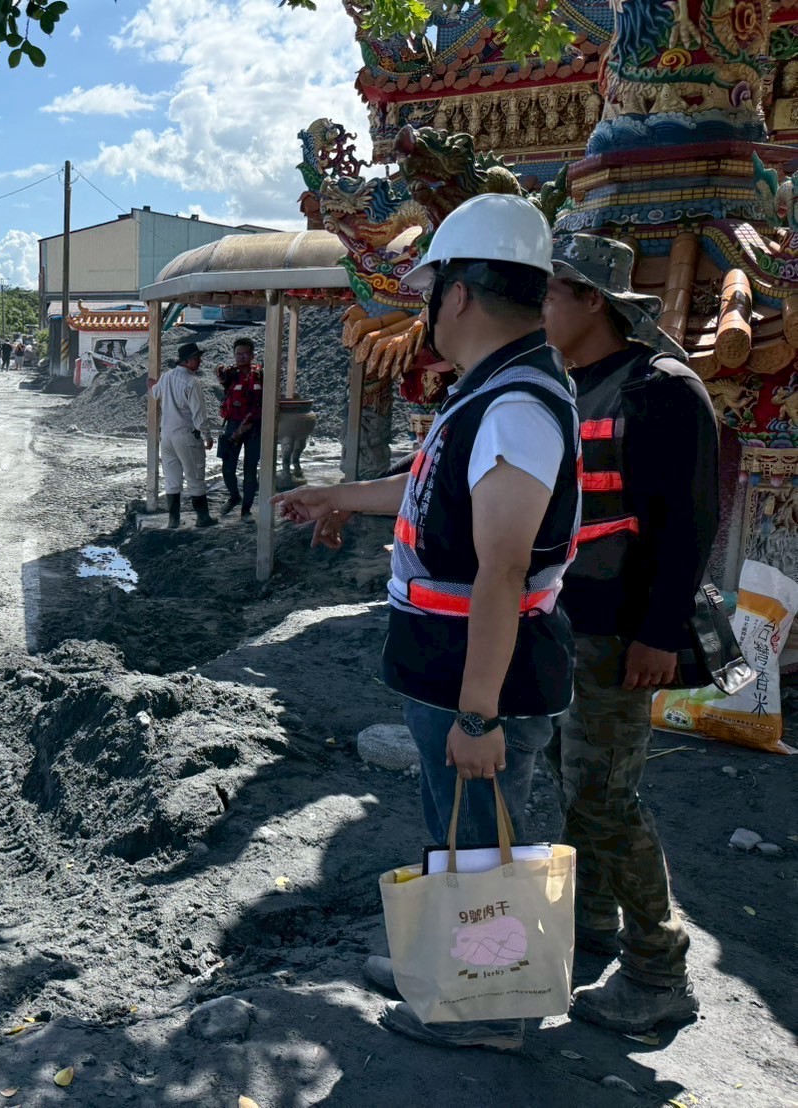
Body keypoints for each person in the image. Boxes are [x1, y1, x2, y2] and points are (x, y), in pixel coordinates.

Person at [273, 193, 582, 1052]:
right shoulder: (489, 395)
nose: (423, 311)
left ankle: (486, 1012)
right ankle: (451, 967)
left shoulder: (514, 407)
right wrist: (338, 494)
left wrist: (479, 714)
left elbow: (504, 567)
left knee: (480, 840)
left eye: (427, 292)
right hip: (450, 668)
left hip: (477, 678)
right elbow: (425, 485)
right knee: (458, 828)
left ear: (456, 295)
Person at [539, 233, 716, 1034]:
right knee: (573, 785)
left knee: (603, 797)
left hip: (620, 636)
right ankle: (589, 928)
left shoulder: (660, 390)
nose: (536, 308)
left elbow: (686, 526)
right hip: (564, 628)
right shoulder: (560, 387)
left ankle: (657, 974)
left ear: (592, 302)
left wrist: (658, 633)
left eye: (550, 292)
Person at [152, 341, 216, 529]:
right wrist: (207, 435)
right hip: (187, 436)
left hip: (167, 437)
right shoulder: (192, 382)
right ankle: (203, 518)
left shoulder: (166, 377)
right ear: (187, 361)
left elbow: (155, 393)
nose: (200, 362)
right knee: (195, 477)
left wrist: (151, 385)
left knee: (172, 480)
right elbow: (199, 414)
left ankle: (174, 520)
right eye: (197, 358)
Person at [216, 336, 264, 519]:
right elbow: (219, 373)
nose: (241, 357)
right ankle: (234, 496)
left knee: (250, 469)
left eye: (245, 354)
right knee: (227, 467)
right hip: (234, 424)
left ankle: (246, 509)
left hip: (256, 427)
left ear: (252, 355)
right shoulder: (230, 374)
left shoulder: (261, 375)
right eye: (238, 354)